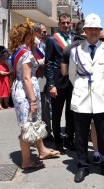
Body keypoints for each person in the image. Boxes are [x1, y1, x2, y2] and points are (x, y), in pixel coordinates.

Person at [62, 13, 104, 183]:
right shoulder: (76, 51)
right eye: (90, 29)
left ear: (100, 31)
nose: (93, 31)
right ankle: (82, 166)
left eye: (96, 29)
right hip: (82, 99)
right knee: (80, 136)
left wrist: (102, 88)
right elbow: (72, 75)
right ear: (85, 31)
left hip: (102, 98)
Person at [9, 22, 59, 170]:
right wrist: (32, 101)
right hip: (26, 92)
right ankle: (26, 162)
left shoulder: (17, 51)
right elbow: (26, 78)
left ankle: (42, 150)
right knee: (27, 127)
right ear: (29, 36)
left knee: (33, 123)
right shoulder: (26, 53)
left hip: (21, 89)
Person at [45, 13, 75, 154]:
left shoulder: (75, 39)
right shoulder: (52, 39)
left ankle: (69, 139)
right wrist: (51, 85)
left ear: (71, 23)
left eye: (68, 22)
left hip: (73, 82)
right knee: (56, 114)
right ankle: (57, 142)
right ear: (59, 23)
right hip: (58, 83)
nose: (65, 25)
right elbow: (49, 63)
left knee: (71, 113)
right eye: (63, 22)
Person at [33, 23, 54, 141]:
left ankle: (47, 132)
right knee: (37, 107)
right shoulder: (32, 45)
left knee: (45, 105)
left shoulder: (44, 45)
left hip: (45, 77)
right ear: (36, 32)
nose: (46, 34)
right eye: (44, 32)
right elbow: (31, 61)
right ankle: (36, 133)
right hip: (36, 78)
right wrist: (44, 61)